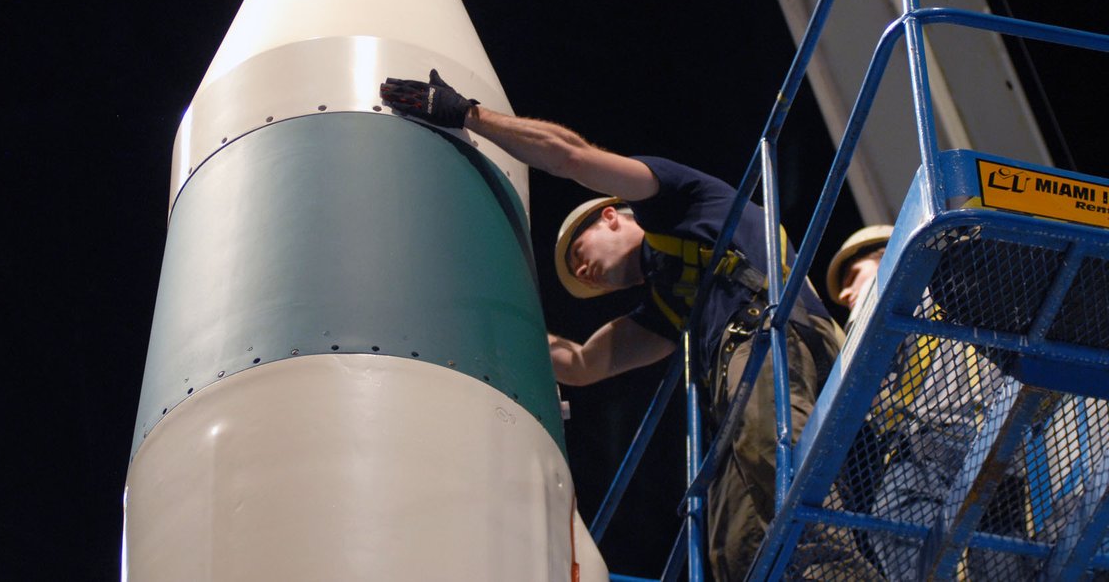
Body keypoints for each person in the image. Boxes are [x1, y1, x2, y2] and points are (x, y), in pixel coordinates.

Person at [380, 70, 881, 581]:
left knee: (776, 462)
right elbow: (581, 364)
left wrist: (469, 114)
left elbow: (570, 157)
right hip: (745, 383)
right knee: (735, 548)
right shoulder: (668, 303)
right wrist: (475, 316)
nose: (582, 271)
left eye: (579, 252)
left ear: (611, 216)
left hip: (772, 337)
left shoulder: (682, 201)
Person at [827, 226, 1034, 581]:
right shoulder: (964, 294)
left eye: (853, 275)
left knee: (897, 528)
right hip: (1002, 446)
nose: (845, 293)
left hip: (930, 443)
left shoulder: (888, 291)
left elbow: (855, 375)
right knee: (1000, 555)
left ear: (885, 258)